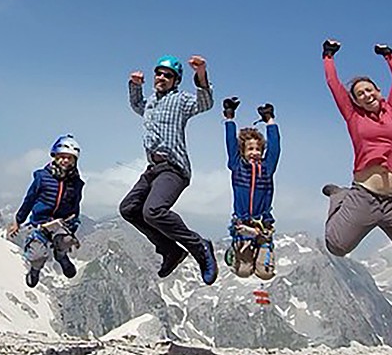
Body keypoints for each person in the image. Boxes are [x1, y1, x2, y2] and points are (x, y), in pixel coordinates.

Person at [320, 39, 392, 269]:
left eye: (369, 90)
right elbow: (334, 85)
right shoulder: (354, 117)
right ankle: (340, 197)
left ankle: (386, 225)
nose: (366, 95)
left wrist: (389, 55)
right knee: (336, 246)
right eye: (359, 94)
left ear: (378, 91)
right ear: (355, 101)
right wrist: (328, 56)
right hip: (366, 195)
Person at [120, 54, 218, 285]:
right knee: (128, 209)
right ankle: (170, 251)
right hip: (153, 169)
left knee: (153, 211)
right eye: (159, 73)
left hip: (174, 168)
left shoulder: (181, 100)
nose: (162, 77)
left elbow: (205, 103)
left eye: (168, 75)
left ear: (176, 80)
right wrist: (135, 85)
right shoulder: (152, 102)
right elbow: (137, 105)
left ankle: (199, 246)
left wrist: (201, 73)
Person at [7, 134, 85, 287]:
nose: (65, 160)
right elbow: (29, 200)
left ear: (75, 161)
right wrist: (18, 220)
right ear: (55, 156)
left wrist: (73, 228)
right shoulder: (42, 178)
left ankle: (61, 256)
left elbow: (75, 206)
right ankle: (35, 269)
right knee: (37, 256)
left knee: (66, 241)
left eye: (70, 158)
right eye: (62, 156)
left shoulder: (76, 183)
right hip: (40, 224)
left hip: (61, 224)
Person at [222, 97, 281, 278]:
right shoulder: (237, 166)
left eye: (258, 149)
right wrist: (229, 117)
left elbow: (275, 148)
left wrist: (270, 121)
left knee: (265, 274)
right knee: (243, 272)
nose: (255, 153)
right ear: (243, 152)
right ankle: (240, 252)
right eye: (250, 149)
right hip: (243, 224)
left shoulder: (267, 167)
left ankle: (264, 250)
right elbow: (231, 144)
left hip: (262, 223)